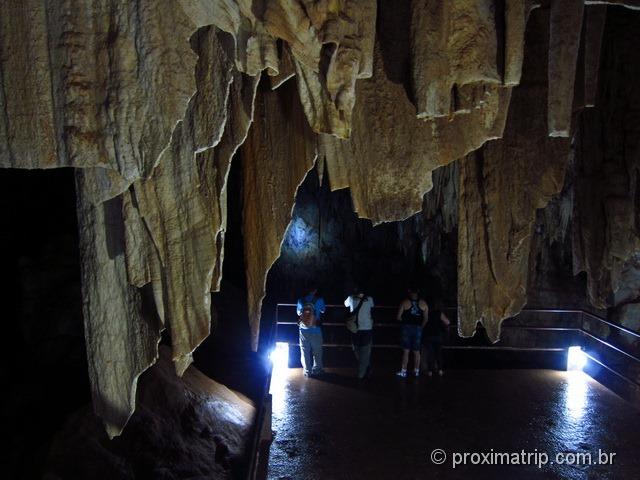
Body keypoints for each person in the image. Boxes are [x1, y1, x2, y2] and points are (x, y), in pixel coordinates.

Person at [396, 287, 428, 377]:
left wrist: (405, 321)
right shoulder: (423, 303)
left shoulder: (405, 302)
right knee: (417, 351)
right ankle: (416, 371)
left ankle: (404, 371)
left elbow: (398, 317)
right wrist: (421, 327)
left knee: (406, 351)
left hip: (406, 328)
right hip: (418, 328)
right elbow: (426, 319)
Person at [344, 287, 374, 379]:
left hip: (355, 328)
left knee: (356, 349)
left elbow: (345, 304)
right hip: (367, 328)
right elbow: (372, 307)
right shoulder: (369, 299)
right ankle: (364, 370)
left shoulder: (351, 298)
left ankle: (361, 373)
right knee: (365, 351)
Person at [296, 286, 326, 377]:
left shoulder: (300, 300)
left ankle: (307, 371)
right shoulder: (319, 300)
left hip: (303, 328)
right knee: (317, 350)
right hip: (315, 328)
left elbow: (298, 313)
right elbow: (323, 310)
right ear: (315, 290)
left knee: (305, 350)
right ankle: (317, 369)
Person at [422, 299, 450, 376]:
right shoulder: (439, 313)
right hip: (437, 335)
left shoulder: (426, 313)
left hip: (428, 335)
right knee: (438, 354)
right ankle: (440, 370)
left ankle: (430, 371)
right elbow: (447, 322)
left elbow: (422, 324)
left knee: (430, 354)